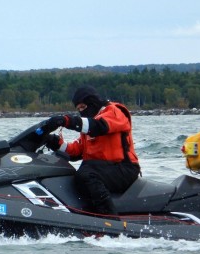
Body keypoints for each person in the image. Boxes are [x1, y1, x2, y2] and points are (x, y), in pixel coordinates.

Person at [43, 85, 140, 216]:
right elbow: (76, 151)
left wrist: (67, 121)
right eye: (78, 109)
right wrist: (54, 142)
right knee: (77, 174)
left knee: (87, 174)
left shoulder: (114, 112)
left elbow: (99, 126)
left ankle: (110, 219)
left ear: (92, 102)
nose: (81, 111)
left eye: (83, 107)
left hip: (124, 168)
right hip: (103, 169)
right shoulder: (90, 123)